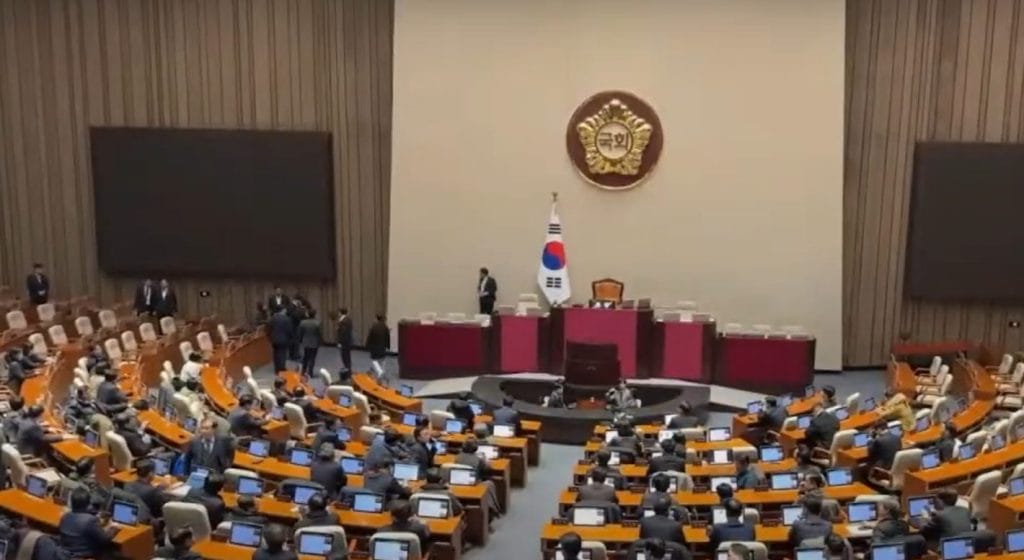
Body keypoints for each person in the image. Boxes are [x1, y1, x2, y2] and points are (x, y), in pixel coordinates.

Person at [58, 487, 115, 559]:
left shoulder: (64, 517)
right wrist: (114, 528)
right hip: (85, 557)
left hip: (66, 555)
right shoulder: (90, 520)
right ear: (88, 504)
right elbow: (104, 540)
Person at [366, 314, 391, 383]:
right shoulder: (385, 327)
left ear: (376, 318)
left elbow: (370, 337)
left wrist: (367, 346)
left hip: (374, 347)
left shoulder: (374, 327)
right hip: (382, 347)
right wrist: (388, 346)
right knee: (382, 361)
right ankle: (381, 375)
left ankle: (380, 373)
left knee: (374, 361)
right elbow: (387, 337)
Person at [269, 307, 294, 374]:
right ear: (283, 310)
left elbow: (268, 329)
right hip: (284, 339)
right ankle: (281, 369)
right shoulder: (287, 319)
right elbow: (289, 330)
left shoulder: (272, 318)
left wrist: (270, 338)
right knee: (282, 354)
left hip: (274, 339)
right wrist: (291, 338)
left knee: (276, 354)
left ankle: (276, 369)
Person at [297, 309, 322, 377]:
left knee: (305, 357)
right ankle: (310, 372)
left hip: (306, 342)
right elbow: (319, 334)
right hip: (314, 342)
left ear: (308, 314)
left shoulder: (303, 322)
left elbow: (300, 333)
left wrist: (300, 340)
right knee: (312, 358)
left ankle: (303, 371)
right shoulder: (317, 323)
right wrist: (320, 342)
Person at [336, 306, 354, 372]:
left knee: (344, 355)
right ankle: (348, 367)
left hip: (344, 341)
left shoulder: (343, 321)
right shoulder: (348, 319)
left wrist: (339, 342)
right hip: (348, 340)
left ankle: (347, 368)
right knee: (347, 355)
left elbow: (342, 333)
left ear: (340, 312)